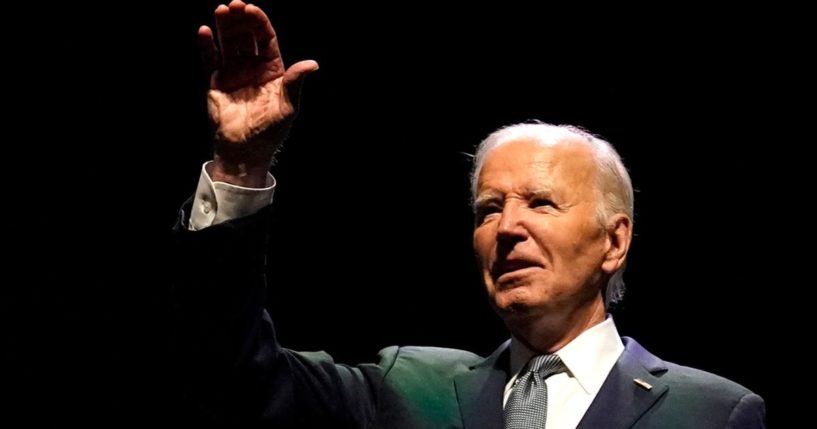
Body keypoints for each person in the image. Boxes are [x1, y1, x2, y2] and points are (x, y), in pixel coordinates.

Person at [170, 1, 767, 427]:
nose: (507, 228)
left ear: (615, 242)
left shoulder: (712, 411)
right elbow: (230, 369)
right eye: (489, 209)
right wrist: (239, 165)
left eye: (540, 203)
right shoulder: (408, 390)